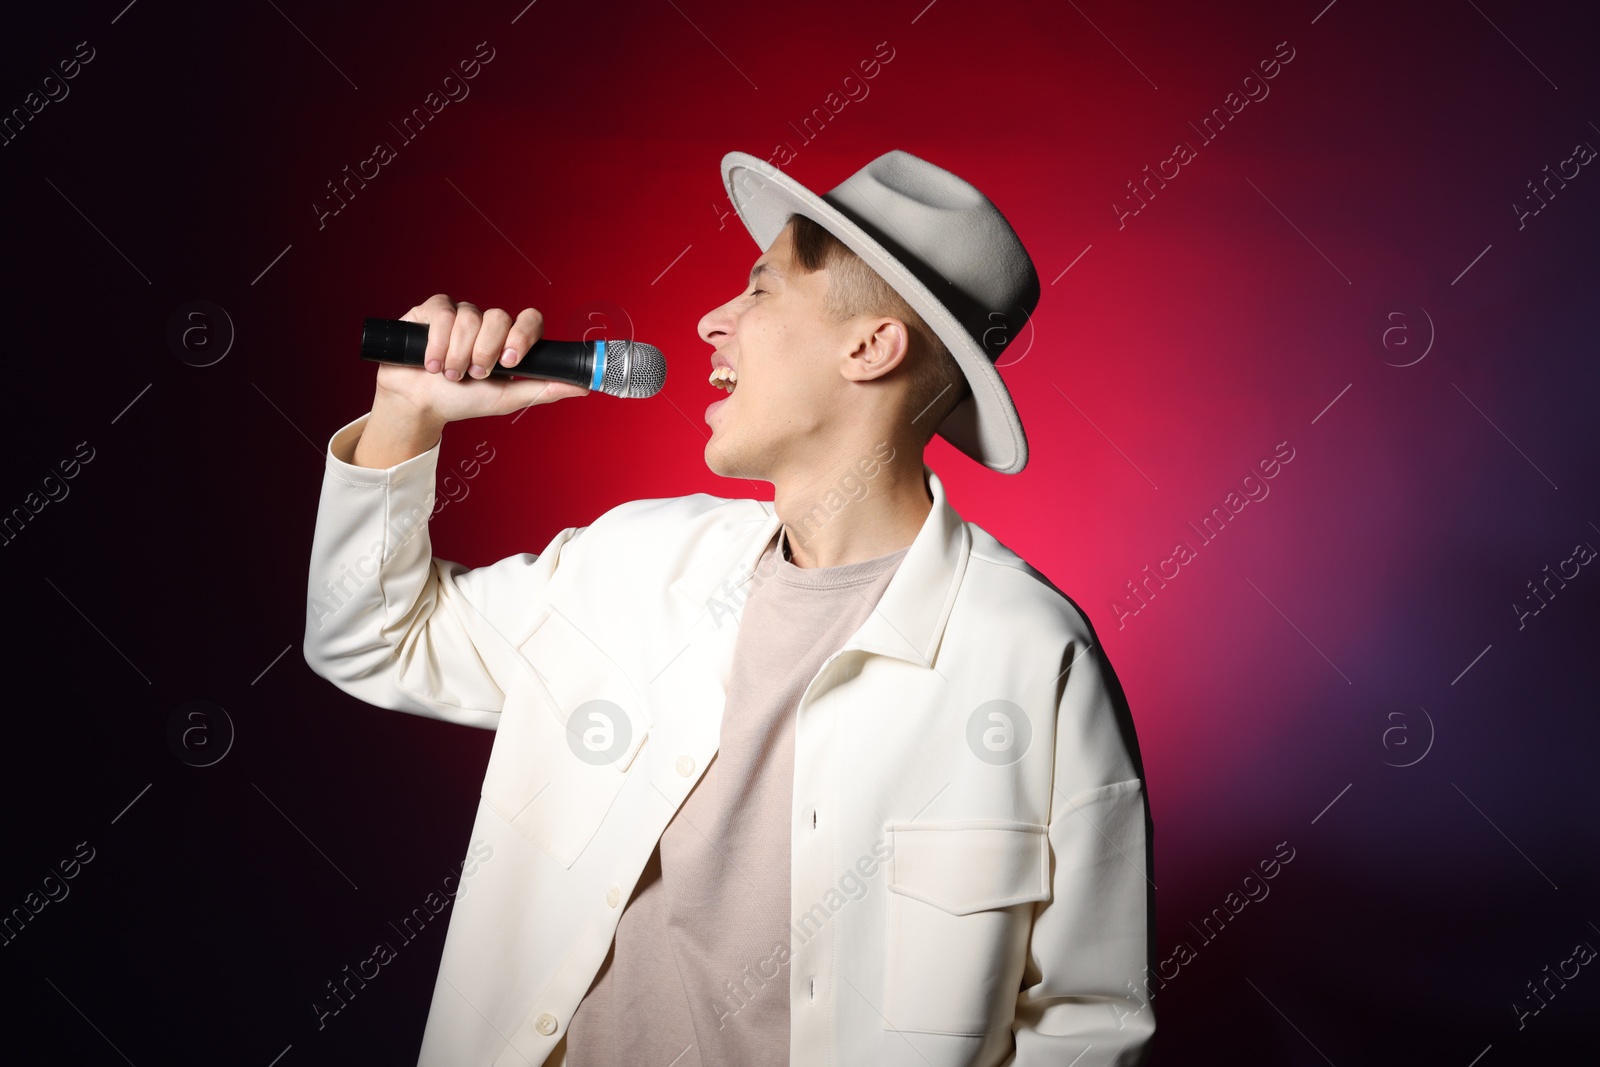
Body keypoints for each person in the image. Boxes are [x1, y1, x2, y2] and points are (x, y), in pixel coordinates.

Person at [303, 149, 1154, 1067]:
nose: (713, 320)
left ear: (870, 345)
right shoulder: (629, 562)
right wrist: (406, 412)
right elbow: (371, 638)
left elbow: (1086, 1025)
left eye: (761, 289)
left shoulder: (1032, 656)